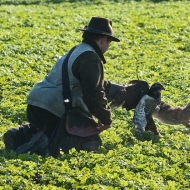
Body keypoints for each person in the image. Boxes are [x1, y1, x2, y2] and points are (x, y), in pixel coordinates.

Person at [4, 16, 128, 155]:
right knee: (89, 142)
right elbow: (93, 94)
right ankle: (41, 147)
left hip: (36, 105)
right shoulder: (91, 58)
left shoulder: (77, 50)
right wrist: (105, 118)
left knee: (49, 130)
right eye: (109, 43)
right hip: (52, 109)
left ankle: (18, 135)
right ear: (103, 39)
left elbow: (93, 84)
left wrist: (120, 89)